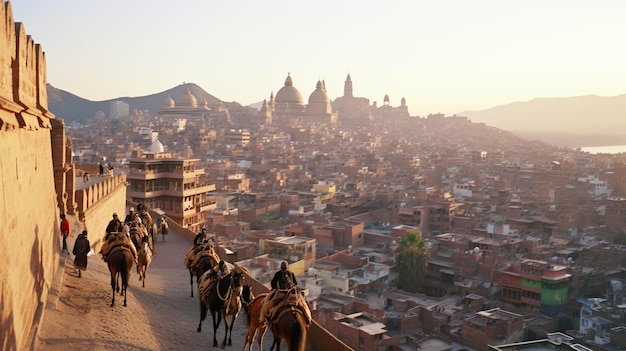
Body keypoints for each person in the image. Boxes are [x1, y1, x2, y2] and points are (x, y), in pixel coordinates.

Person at [259, 261, 306, 326]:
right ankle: (265, 318)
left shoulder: (291, 274)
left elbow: (295, 283)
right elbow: (273, 282)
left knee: (302, 303)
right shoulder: (278, 274)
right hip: (281, 292)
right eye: (283, 269)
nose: (284, 270)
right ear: (281, 268)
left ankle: (306, 318)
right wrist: (276, 289)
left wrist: (294, 288)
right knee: (269, 302)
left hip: (291, 293)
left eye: (285, 269)